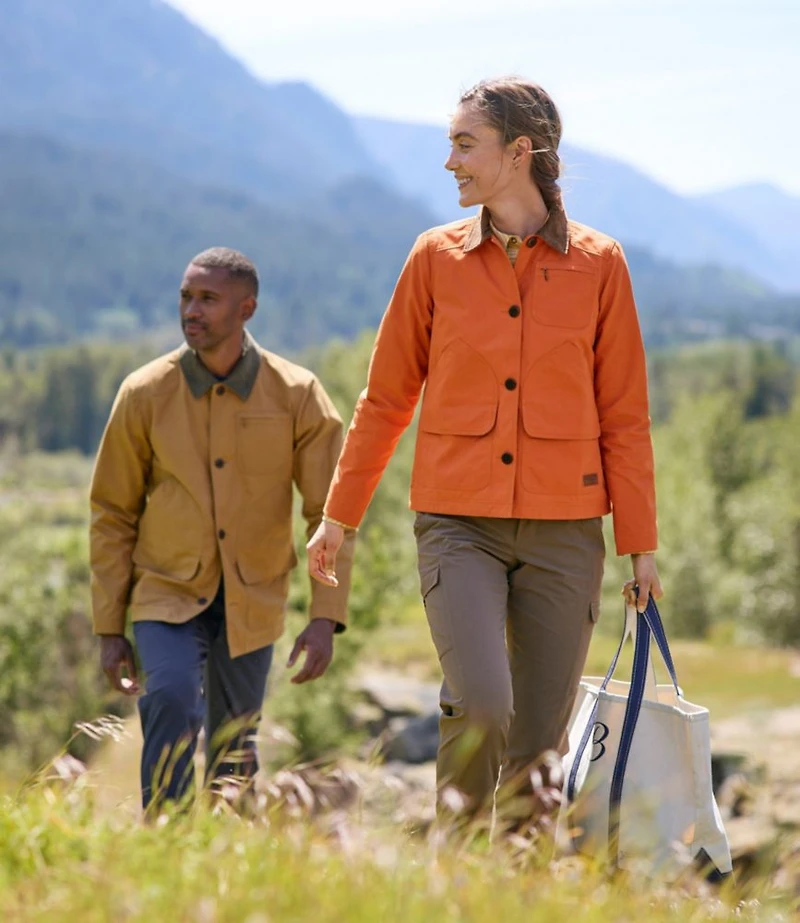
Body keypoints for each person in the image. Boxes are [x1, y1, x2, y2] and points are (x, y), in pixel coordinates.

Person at [307, 78, 662, 831]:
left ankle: (514, 895)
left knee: (538, 748)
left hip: (567, 532)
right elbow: (385, 399)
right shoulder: (433, 259)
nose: (451, 162)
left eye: (465, 144)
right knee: (480, 704)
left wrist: (641, 548)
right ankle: (456, 883)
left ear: (519, 152)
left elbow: (626, 417)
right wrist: (339, 515)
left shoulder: (602, 264)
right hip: (456, 525)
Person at [90, 247, 354, 814]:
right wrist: (110, 626)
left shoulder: (298, 394)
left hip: (254, 594)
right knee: (172, 700)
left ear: (247, 308)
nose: (192, 309)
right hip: (165, 589)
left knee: (236, 748)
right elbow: (112, 513)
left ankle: (226, 865)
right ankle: (167, 842)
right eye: (187, 296)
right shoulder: (143, 393)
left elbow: (329, 515)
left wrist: (325, 616)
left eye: (208, 299)